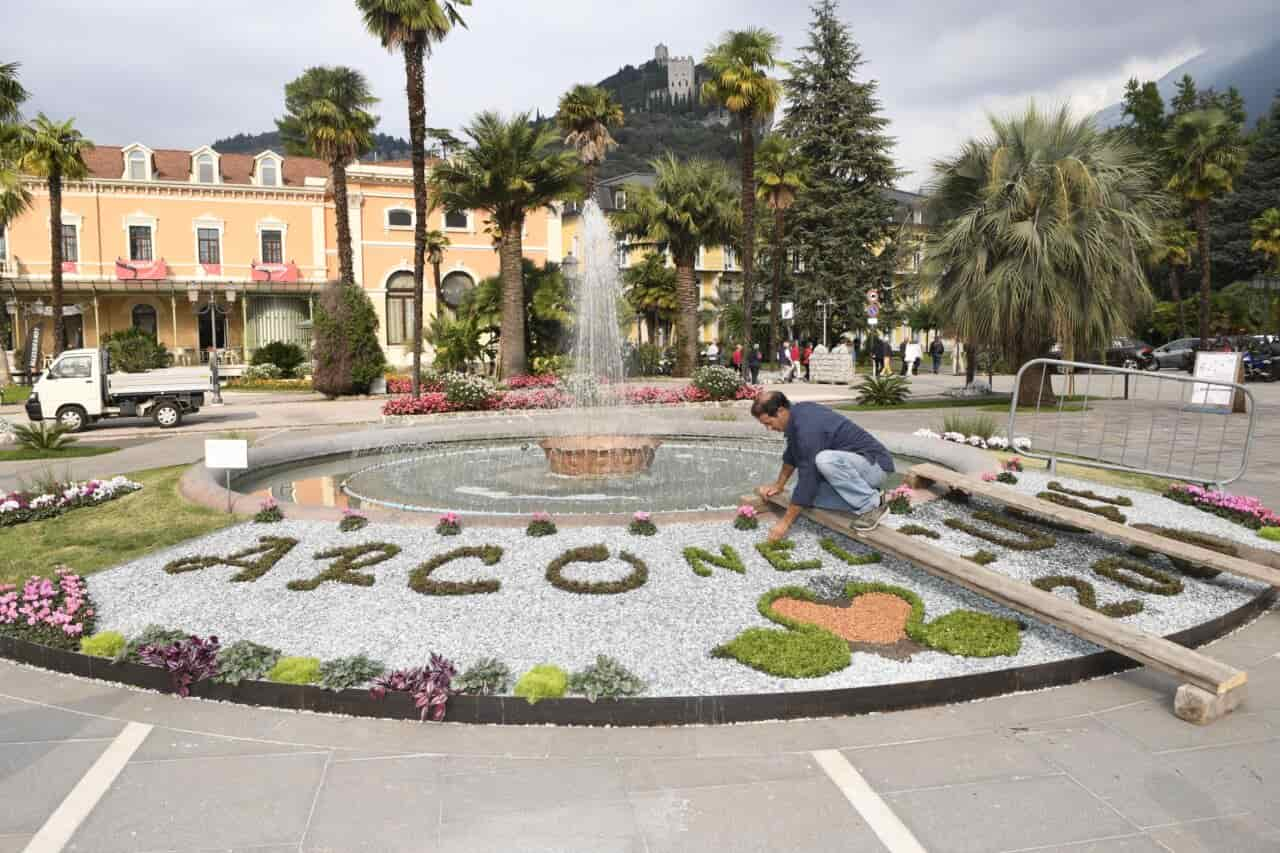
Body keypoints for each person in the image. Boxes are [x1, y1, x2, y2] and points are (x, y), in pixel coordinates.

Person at [752, 391, 894, 538]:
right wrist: (778, 485)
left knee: (824, 460)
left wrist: (784, 524)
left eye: (768, 423)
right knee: (798, 494)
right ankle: (870, 494)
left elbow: (809, 475)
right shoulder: (795, 417)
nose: (768, 429)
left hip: (876, 466)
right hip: (855, 471)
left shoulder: (808, 425)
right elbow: (791, 455)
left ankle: (873, 504)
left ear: (780, 411)